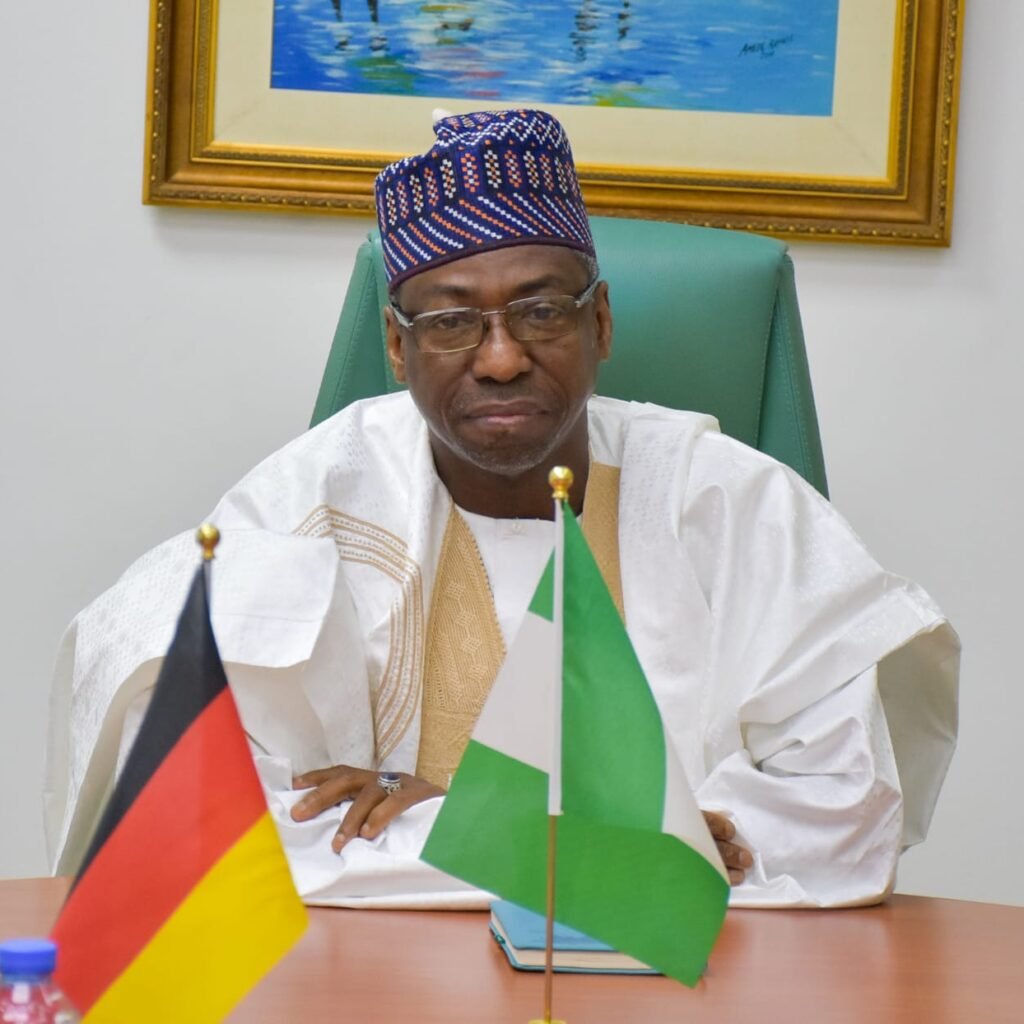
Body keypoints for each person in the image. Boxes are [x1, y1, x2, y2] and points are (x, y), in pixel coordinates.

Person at [45, 109, 958, 909]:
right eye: (450, 323)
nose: (500, 358)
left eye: (541, 312)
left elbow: (845, 817)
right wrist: (609, 853)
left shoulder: (735, 504)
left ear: (600, 324)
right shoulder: (306, 502)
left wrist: (446, 826)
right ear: (397, 348)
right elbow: (197, 820)